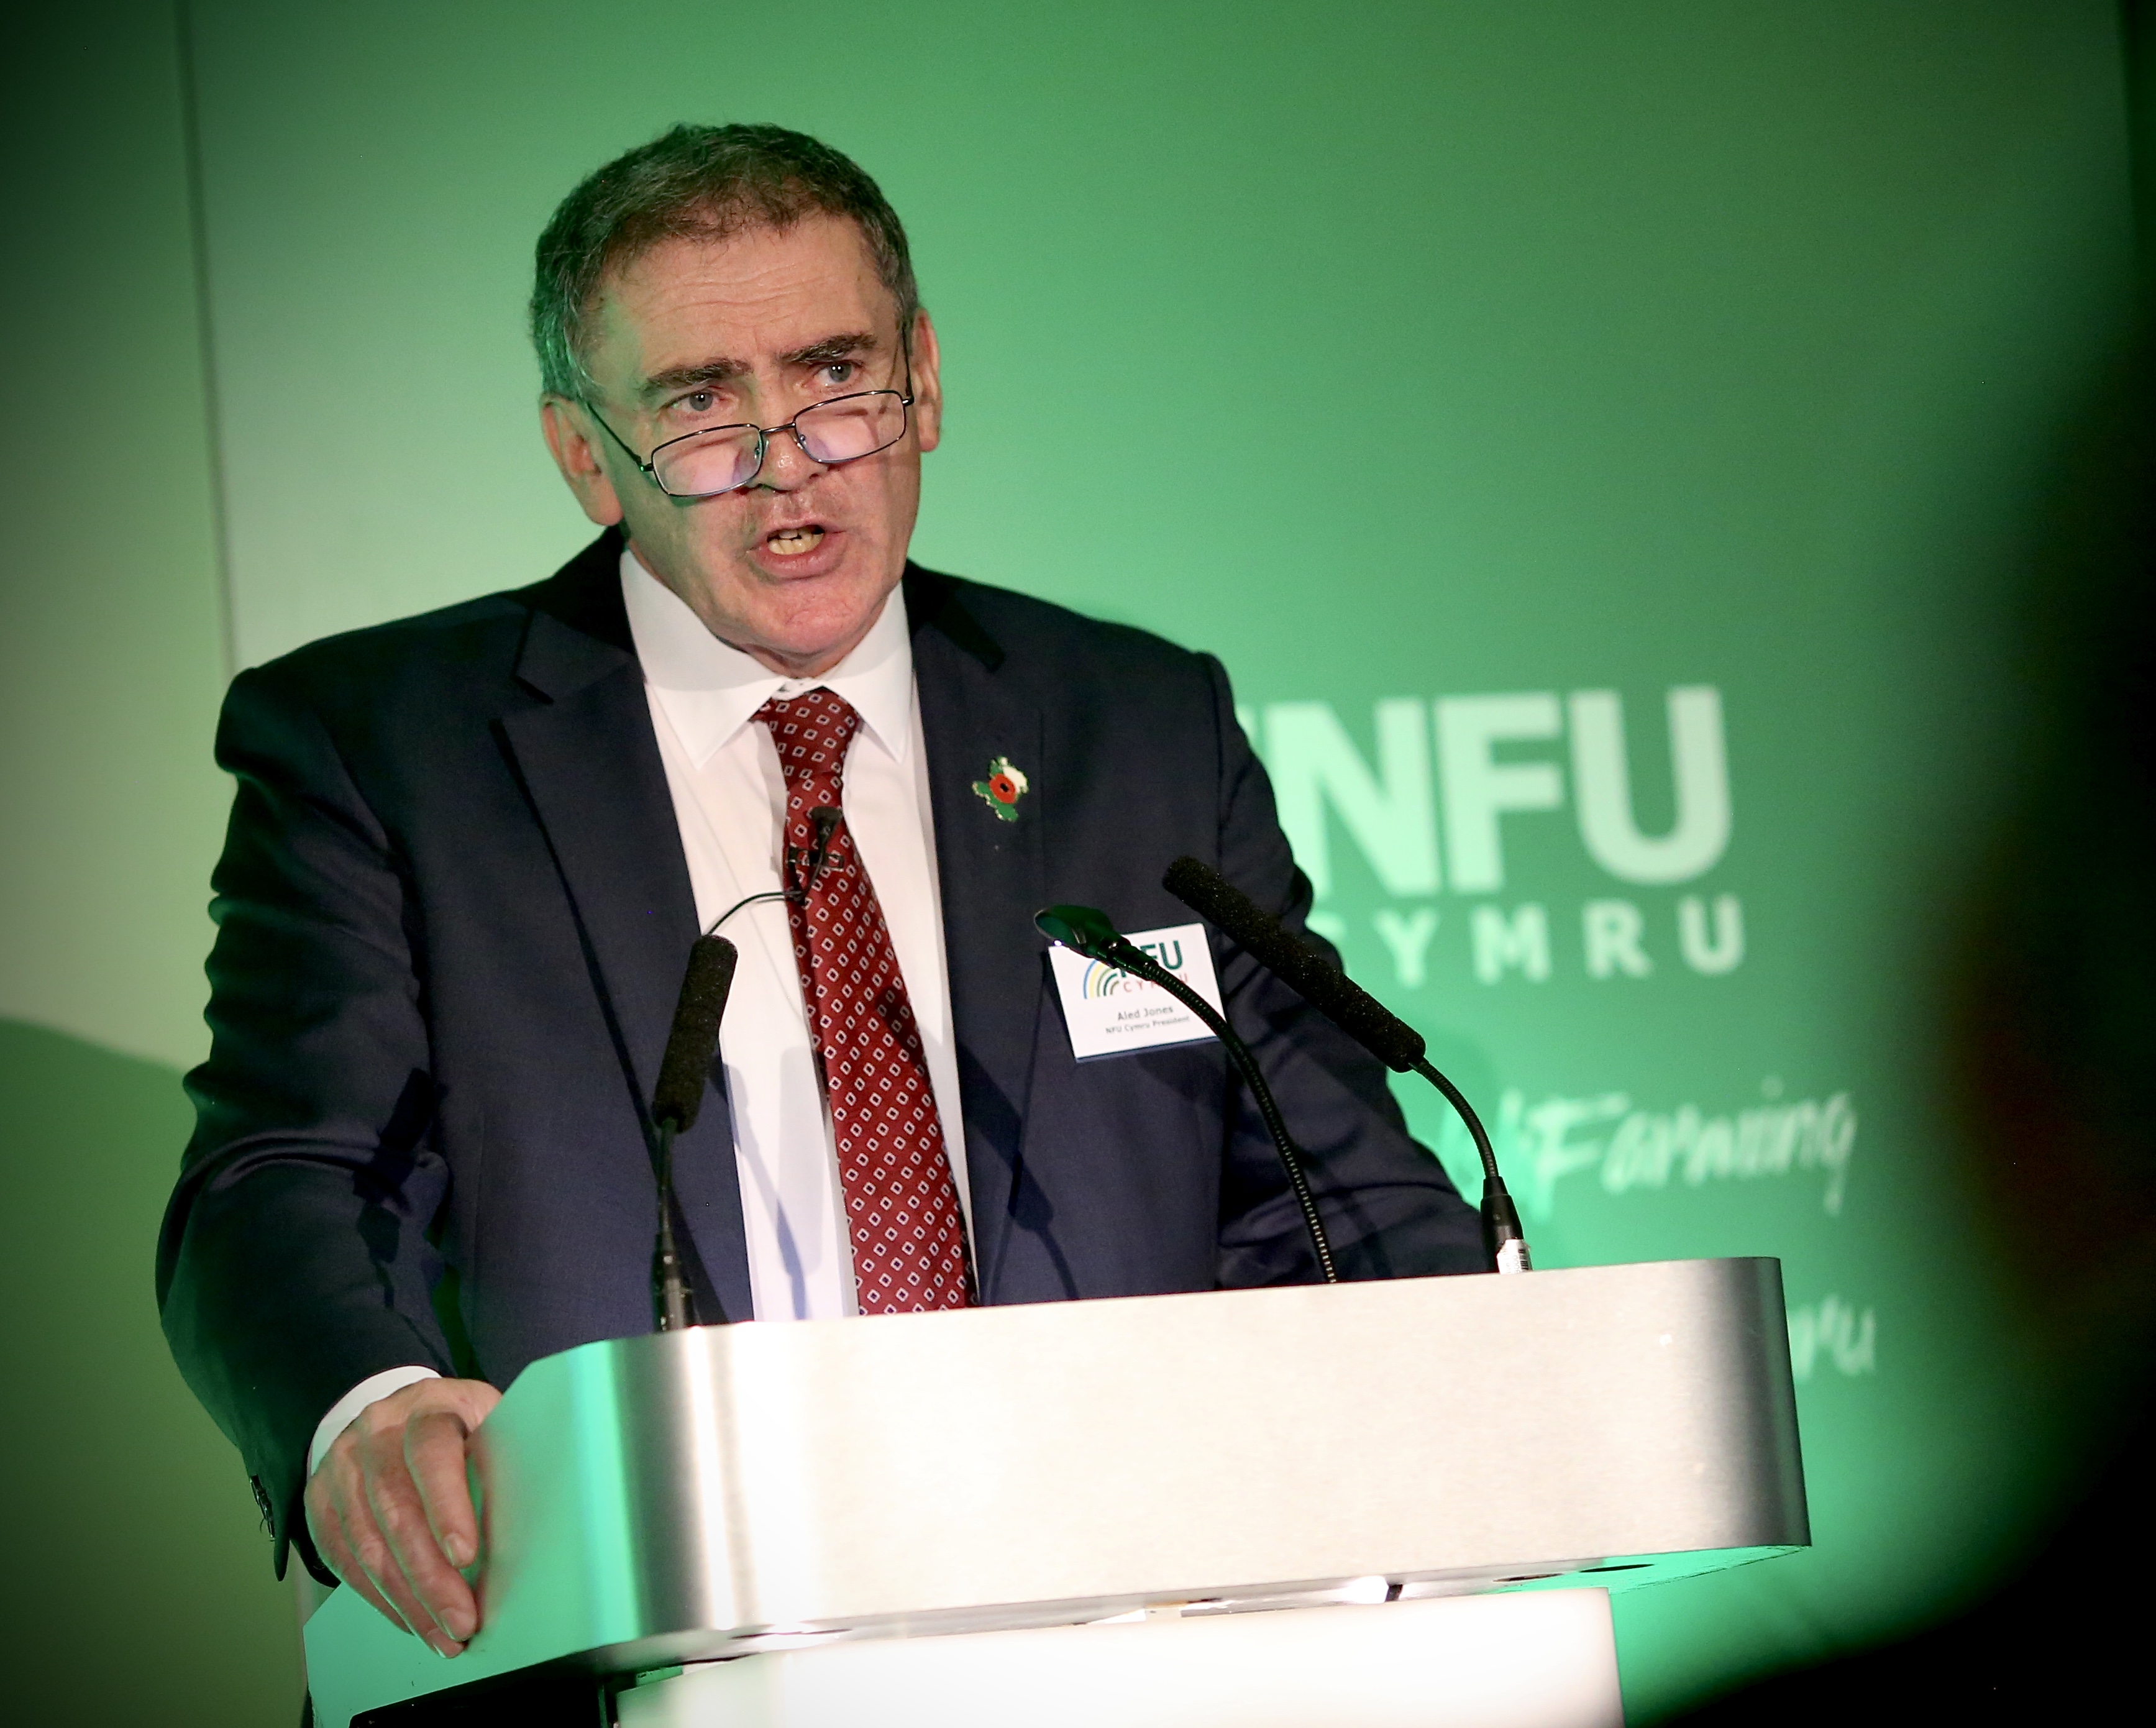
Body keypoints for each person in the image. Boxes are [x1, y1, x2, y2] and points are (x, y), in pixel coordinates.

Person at [157, 122, 1485, 1659]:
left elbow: (1333, 1189)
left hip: (1125, 1637)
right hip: (632, 1644)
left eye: (836, 378)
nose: (787, 465)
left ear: (924, 376)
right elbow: (281, 1176)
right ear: (585, 456)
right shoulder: (387, 746)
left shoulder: (1131, 725)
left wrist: (1480, 1404)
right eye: (700, 407)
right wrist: (366, 1409)